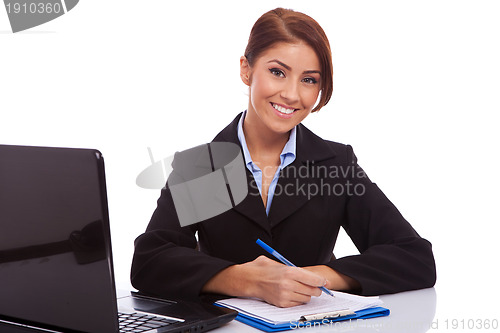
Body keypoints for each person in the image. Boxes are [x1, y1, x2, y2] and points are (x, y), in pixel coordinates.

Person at [131, 7, 436, 308]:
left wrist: (314, 277)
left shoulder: (335, 165)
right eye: (277, 72)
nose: (292, 94)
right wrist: (245, 280)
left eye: (309, 80)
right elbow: (151, 260)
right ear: (246, 69)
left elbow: (413, 256)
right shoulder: (203, 167)